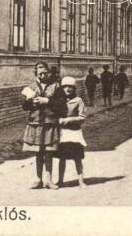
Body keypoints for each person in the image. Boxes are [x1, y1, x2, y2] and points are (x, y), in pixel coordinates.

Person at [22, 62, 66, 190]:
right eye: (40, 73)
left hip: (49, 122)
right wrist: (30, 101)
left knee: (48, 152)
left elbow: (62, 105)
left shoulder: (56, 86)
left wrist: (47, 101)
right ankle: (38, 179)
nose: (42, 76)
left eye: (45, 73)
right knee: (38, 152)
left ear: (49, 73)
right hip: (35, 122)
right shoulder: (31, 87)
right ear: (36, 73)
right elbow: (24, 107)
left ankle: (48, 180)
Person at [57, 76, 88, 188]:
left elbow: (82, 117)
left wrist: (69, 120)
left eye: (70, 87)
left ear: (74, 88)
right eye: (65, 87)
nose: (68, 89)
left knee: (77, 157)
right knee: (62, 158)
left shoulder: (78, 101)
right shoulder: (59, 101)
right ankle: (60, 181)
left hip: (75, 132)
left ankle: (81, 181)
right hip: (63, 133)